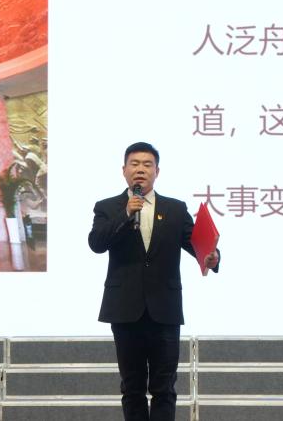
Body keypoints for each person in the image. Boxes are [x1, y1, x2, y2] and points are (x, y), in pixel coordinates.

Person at [88, 141, 220, 421]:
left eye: (147, 165)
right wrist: (126, 213)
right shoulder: (108, 207)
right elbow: (97, 243)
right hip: (125, 309)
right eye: (134, 164)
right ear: (124, 170)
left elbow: (197, 245)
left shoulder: (175, 209)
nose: (141, 169)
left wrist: (212, 256)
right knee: (132, 387)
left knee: (164, 387)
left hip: (165, 309)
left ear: (157, 172)